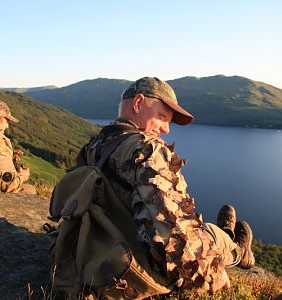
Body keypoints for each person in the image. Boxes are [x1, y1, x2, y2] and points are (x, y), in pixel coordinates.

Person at [75, 77, 255, 296]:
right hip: (134, 271)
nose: (167, 129)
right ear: (138, 103)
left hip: (97, 256)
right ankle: (239, 252)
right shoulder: (148, 150)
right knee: (211, 234)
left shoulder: (94, 146)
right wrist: (213, 274)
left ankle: (229, 238)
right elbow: (174, 236)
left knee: (210, 233)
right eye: (162, 117)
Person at [0, 99, 36, 194]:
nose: (7, 126)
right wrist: (22, 176)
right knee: (30, 190)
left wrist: (8, 157)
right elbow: (5, 186)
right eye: (6, 121)